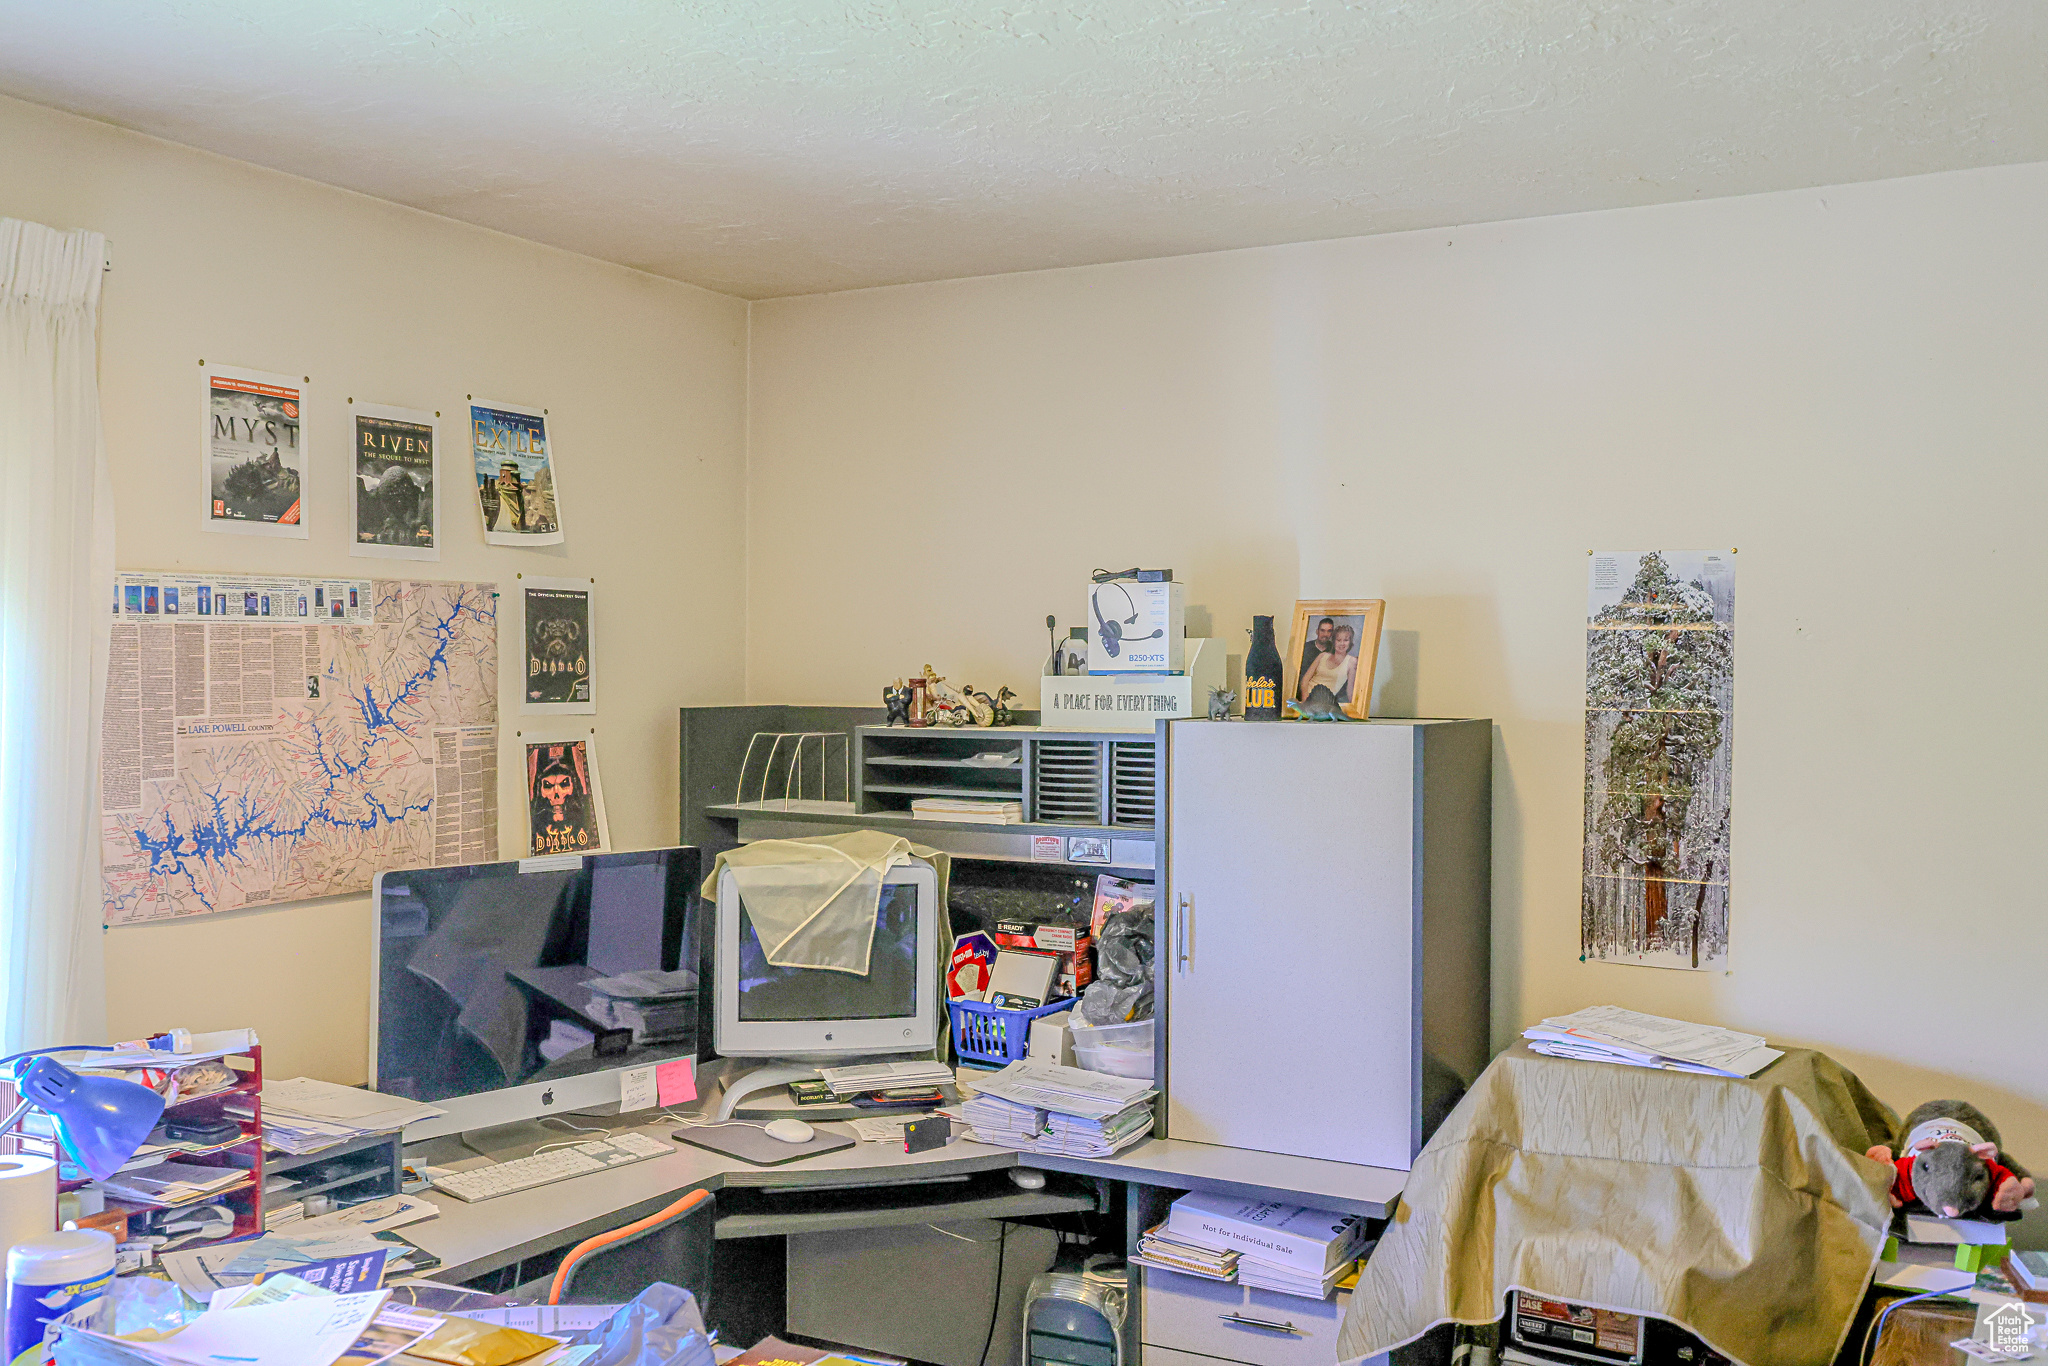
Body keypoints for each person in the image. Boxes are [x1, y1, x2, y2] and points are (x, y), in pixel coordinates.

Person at [1298, 622, 1357, 704]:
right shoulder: (1322, 656)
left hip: (1323, 704)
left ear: (1350, 642)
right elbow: (1305, 680)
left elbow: (1350, 691)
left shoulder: (1352, 661)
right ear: (1334, 641)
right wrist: (1305, 700)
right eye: (1339, 640)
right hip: (1306, 700)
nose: (1342, 643)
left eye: (1346, 640)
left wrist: (1355, 709)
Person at [1298, 617, 1335, 690]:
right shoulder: (1305, 648)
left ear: (1332, 633)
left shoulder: (1335, 650)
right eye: (1322, 630)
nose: (1325, 634)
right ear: (1317, 631)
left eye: (1329, 631)